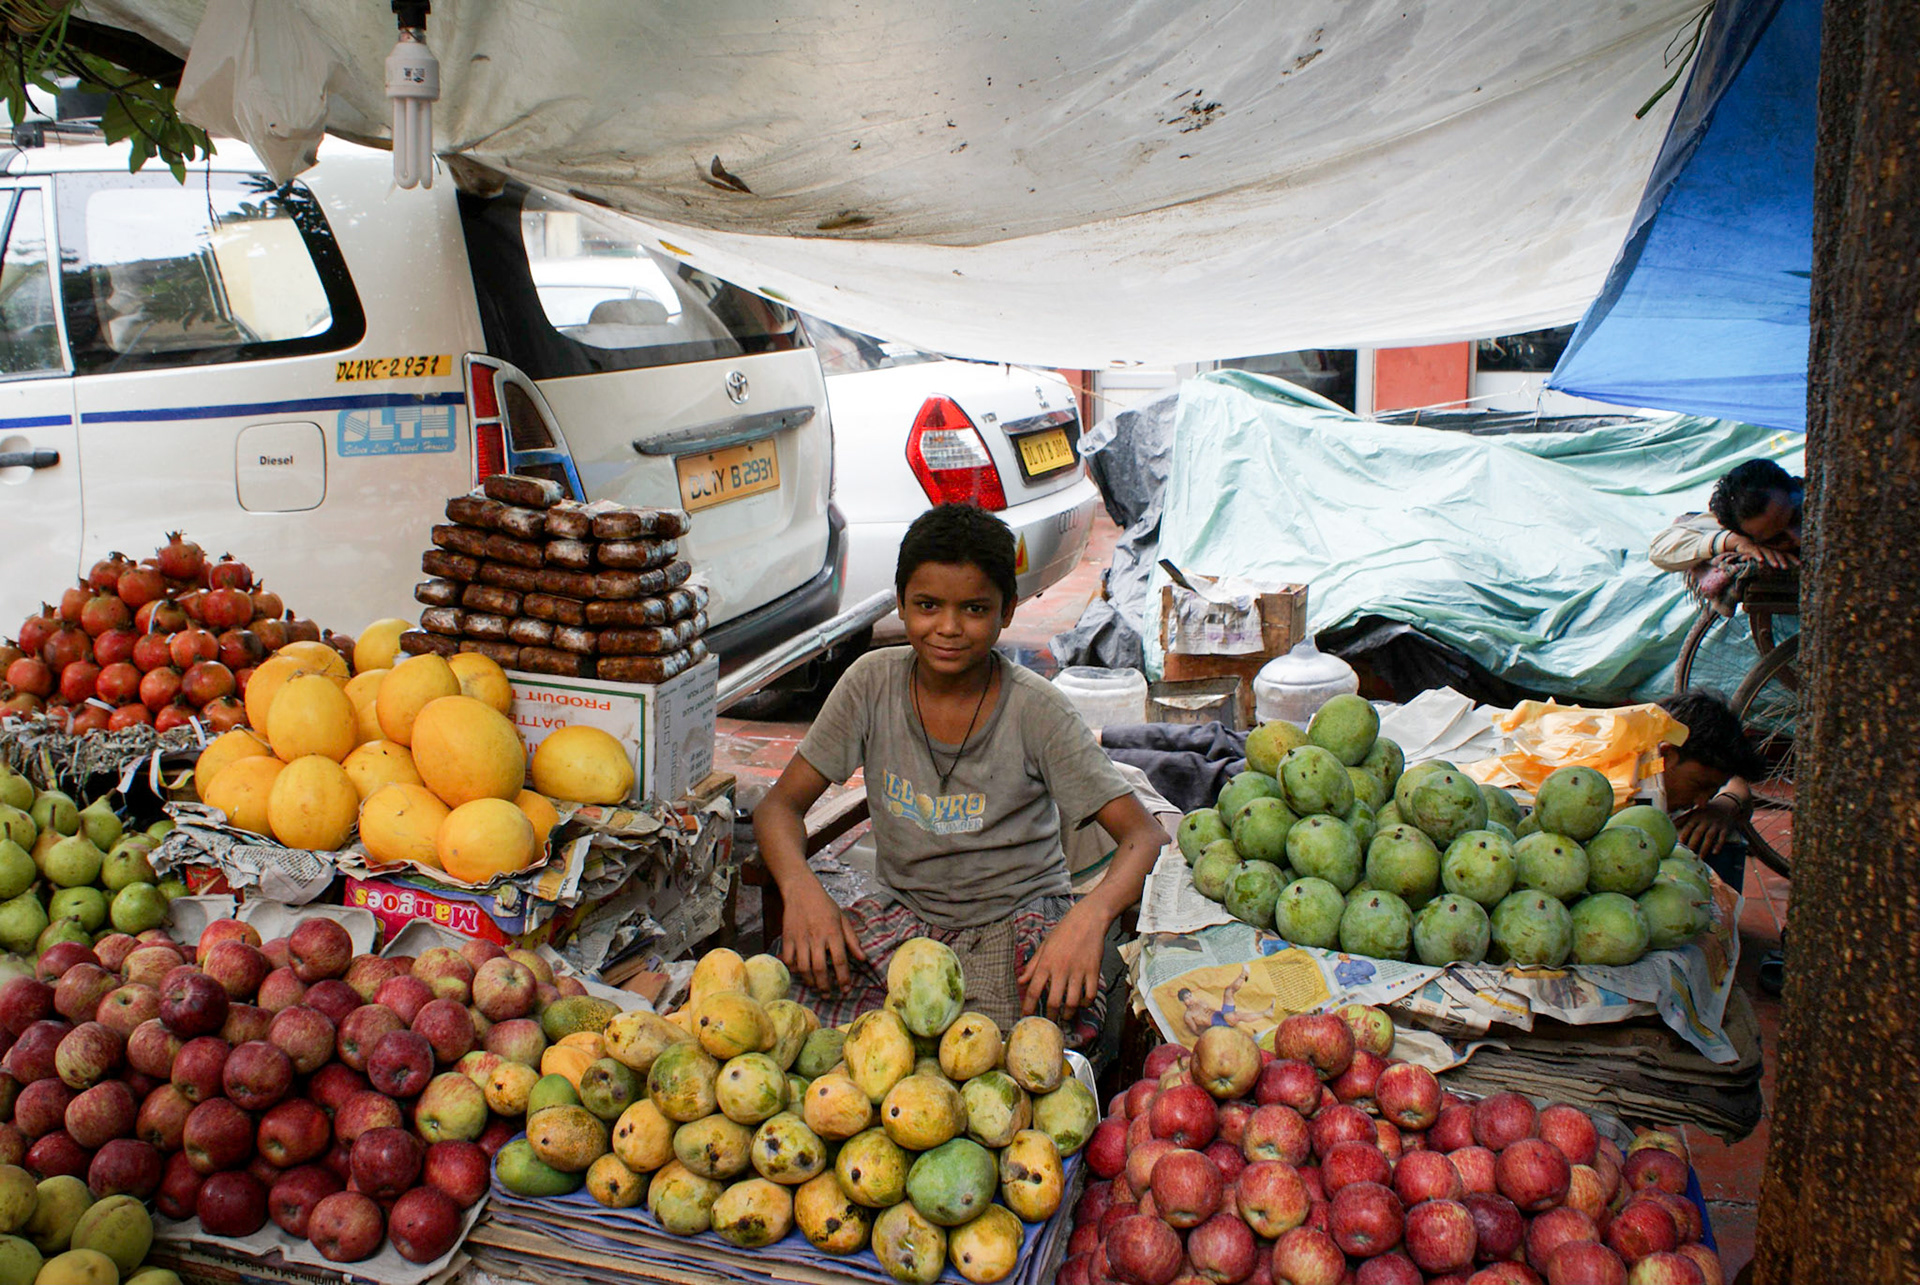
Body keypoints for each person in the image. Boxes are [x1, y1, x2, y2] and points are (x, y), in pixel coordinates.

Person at [752, 503, 1167, 1041]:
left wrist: (1087, 919)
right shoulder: (870, 685)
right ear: (899, 603)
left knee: (1011, 1057)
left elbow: (1144, 836)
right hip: (903, 918)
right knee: (783, 1025)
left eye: (974, 609)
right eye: (927, 605)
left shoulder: (1036, 710)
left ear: (1007, 611)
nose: (948, 628)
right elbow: (777, 808)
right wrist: (800, 887)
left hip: (1015, 922)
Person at [1649, 459, 1804, 574]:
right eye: (1777, 539)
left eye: (1797, 518)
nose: (1799, 538)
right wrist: (1732, 541)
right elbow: (1660, 551)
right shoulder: (1742, 530)